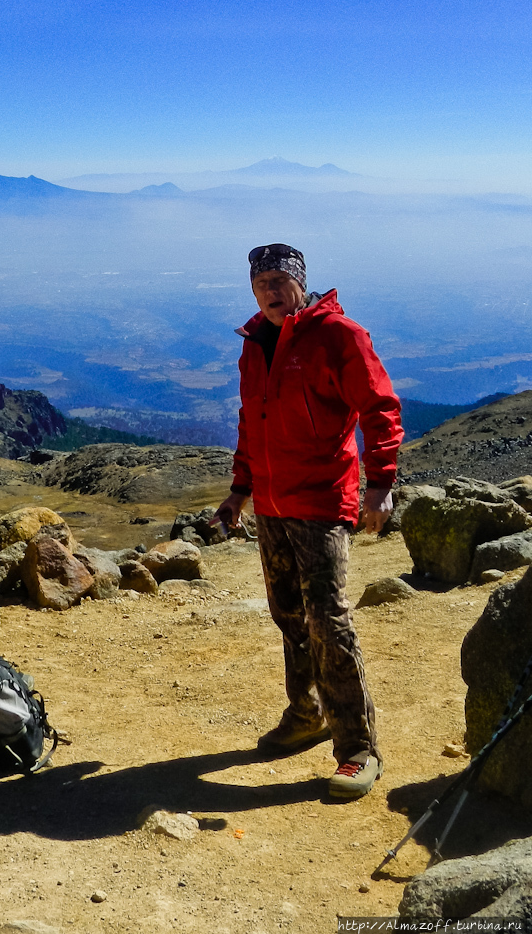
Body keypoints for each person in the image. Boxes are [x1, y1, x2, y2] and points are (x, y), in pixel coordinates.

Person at [214, 243, 403, 800]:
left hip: (321, 499)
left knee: (328, 620)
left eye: (280, 280)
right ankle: (306, 713)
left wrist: (382, 484)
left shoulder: (340, 336)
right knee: (289, 614)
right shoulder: (255, 345)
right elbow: (254, 421)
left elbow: (380, 408)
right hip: (271, 502)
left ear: (301, 283)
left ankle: (358, 749)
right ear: (252, 292)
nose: (271, 291)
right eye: (261, 283)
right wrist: (239, 490)